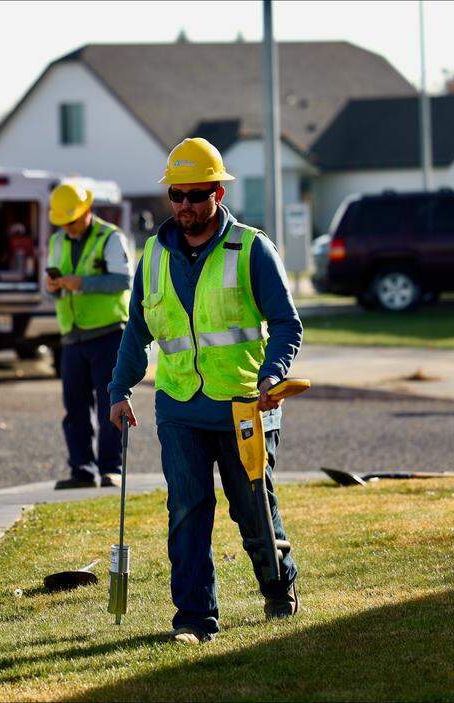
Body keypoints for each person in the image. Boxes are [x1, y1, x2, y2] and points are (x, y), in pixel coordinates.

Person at [108, 138, 303, 644]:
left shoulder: (251, 248)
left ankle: (278, 589)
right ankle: (194, 618)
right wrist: (119, 388)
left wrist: (272, 373)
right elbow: (138, 331)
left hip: (243, 404)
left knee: (253, 508)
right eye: (177, 194)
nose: (185, 205)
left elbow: (285, 323)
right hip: (178, 407)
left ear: (217, 193)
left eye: (196, 194)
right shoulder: (152, 254)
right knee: (187, 511)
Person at [45, 183, 133, 489]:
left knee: (111, 403)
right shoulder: (57, 240)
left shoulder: (110, 237)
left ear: (86, 211)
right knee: (75, 408)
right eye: (62, 222)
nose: (67, 227)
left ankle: (111, 468)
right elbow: (53, 284)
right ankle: (81, 469)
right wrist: (55, 287)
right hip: (72, 336)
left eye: (71, 220)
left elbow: (122, 280)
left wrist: (80, 283)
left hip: (107, 333)